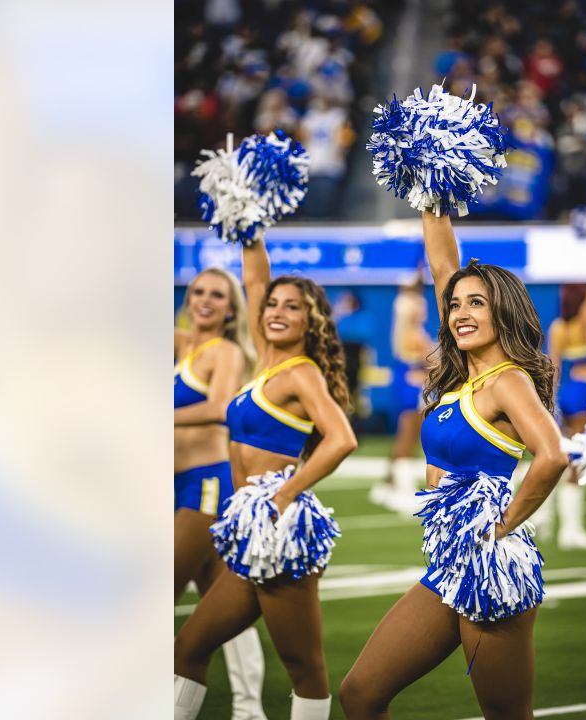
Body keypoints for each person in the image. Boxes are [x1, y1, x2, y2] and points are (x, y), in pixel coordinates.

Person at [339, 210, 568, 719]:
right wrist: (431, 194)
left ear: (502, 313)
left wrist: (504, 526)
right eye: (455, 305)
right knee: (360, 695)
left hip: (488, 567)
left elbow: (553, 455)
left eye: (476, 304)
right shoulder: (460, 374)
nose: (460, 312)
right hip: (447, 567)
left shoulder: (508, 381)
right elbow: (443, 264)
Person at [174, 233, 358, 720]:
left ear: (309, 319)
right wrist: (247, 225)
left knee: (304, 667)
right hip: (247, 531)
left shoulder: (302, 373)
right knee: (187, 648)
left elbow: (342, 439)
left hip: (278, 531)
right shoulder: (264, 361)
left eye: (291, 307)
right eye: (272, 304)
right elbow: (254, 278)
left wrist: (284, 496)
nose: (276, 311)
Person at [173, 267, 267, 720]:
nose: (205, 300)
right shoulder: (180, 343)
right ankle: (250, 709)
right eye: (197, 292)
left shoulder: (225, 351)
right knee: (220, 605)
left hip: (205, 486)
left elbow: (220, 406)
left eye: (217, 294)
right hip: (171, 487)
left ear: (232, 308)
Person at [544, 247, 586, 550]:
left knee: (564, 456)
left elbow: (553, 367)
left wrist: (550, 403)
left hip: (568, 392)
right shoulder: (585, 322)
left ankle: (545, 517)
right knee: (579, 461)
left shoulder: (558, 328)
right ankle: (570, 530)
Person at [370, 270, 432, 515]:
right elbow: (425, 358)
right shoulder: (410, 330)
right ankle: (402, 489)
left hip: (409, 380)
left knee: (408, 436)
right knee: (407, 434)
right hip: (410, 383)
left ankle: (389, 483)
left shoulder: (413, 330)